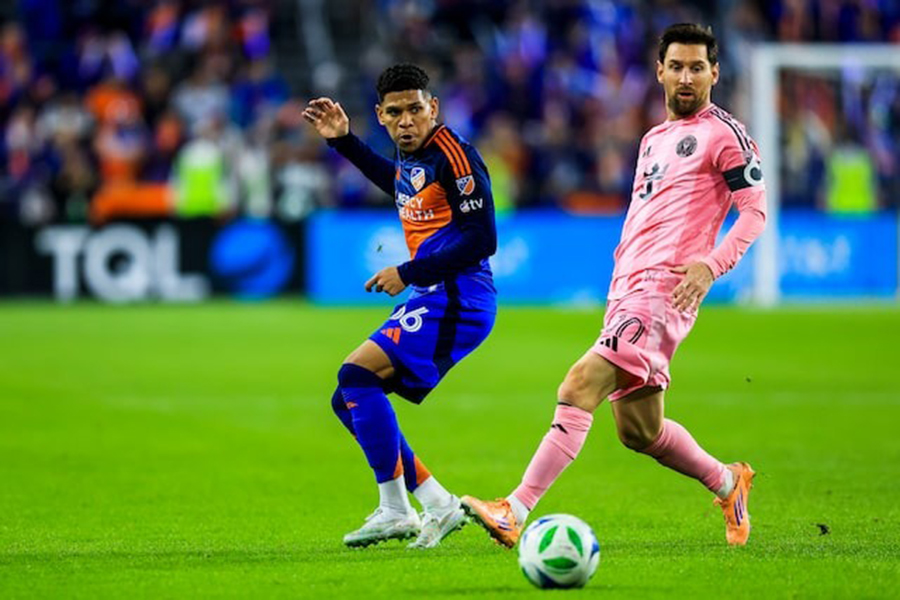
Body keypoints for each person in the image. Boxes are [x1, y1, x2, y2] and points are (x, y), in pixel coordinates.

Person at [462, 23, 767, 548]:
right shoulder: (653, 139)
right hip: (628, 290)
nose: (686, 77)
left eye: (697, 68)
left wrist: (710, 266)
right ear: (659, 71)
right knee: (638, 430)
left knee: (578, 385)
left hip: (664, 291)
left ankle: (515, 509)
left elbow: (754, 212)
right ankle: (727, 481)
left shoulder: (725, 134)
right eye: (677, 66)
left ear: (715, 73)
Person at [301, 64, 498, 549]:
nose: (406, 120)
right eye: (395, 113)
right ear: (381, 116)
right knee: (347, 398)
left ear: (434, 107)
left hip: (460, 296)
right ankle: (434, 504)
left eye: (415, 109)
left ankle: (399, 509)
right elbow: (399, 183)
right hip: (435, 293)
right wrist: (344, 142)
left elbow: (483, 239)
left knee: (356, 376)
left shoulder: (455, 155)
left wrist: (408, 272)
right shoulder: (412, 156)